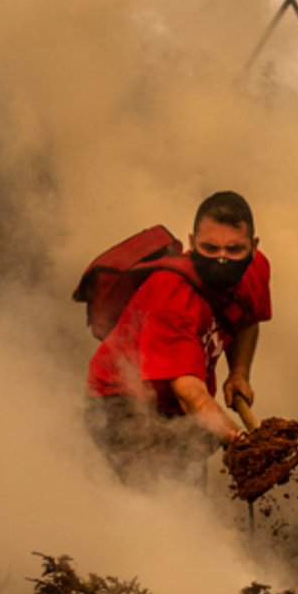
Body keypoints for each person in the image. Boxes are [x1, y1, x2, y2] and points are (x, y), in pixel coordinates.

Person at [84, 191, 272, 483]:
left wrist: (239, 373)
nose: (222, 259)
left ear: (253, 247)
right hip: (121, 399)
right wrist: (238, 440)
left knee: (189, 491)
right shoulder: (171, 294)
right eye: (210, 248)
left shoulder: (255, 269)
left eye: (234, 250)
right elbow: (189, 393)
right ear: (193, 243)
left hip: (178, 399)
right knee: (153, 493)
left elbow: (248, 320)